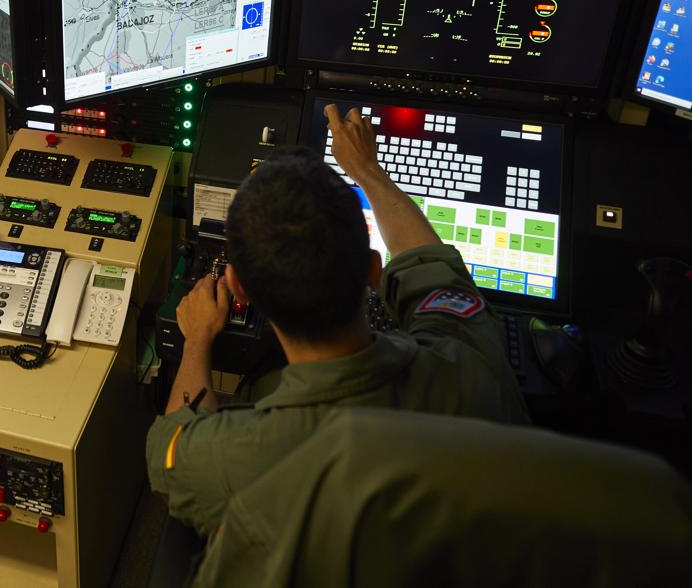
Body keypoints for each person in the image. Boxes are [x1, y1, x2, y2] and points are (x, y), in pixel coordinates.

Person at [146, 104, 529, 536]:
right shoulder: (470, 357)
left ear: (238, 288)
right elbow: (428, 261)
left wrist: (198, 339)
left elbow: (171, 460)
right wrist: (368, 170)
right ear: (373, 271)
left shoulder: (245, 454)